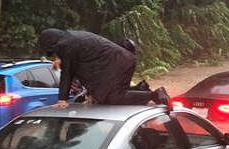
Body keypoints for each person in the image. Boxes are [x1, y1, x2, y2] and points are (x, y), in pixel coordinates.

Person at [38, 28, 170, 108]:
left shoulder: (66, 45)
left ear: (51, 43)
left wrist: (62, 99)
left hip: (117, 63)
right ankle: (141, 90)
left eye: (53, 51)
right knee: (108, 97)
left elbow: (68, 73)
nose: (54, 54)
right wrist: (92, 94)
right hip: (118, 62)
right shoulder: (71, 39)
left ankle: (154, 94)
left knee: (113, 97)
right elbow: (85, 71)